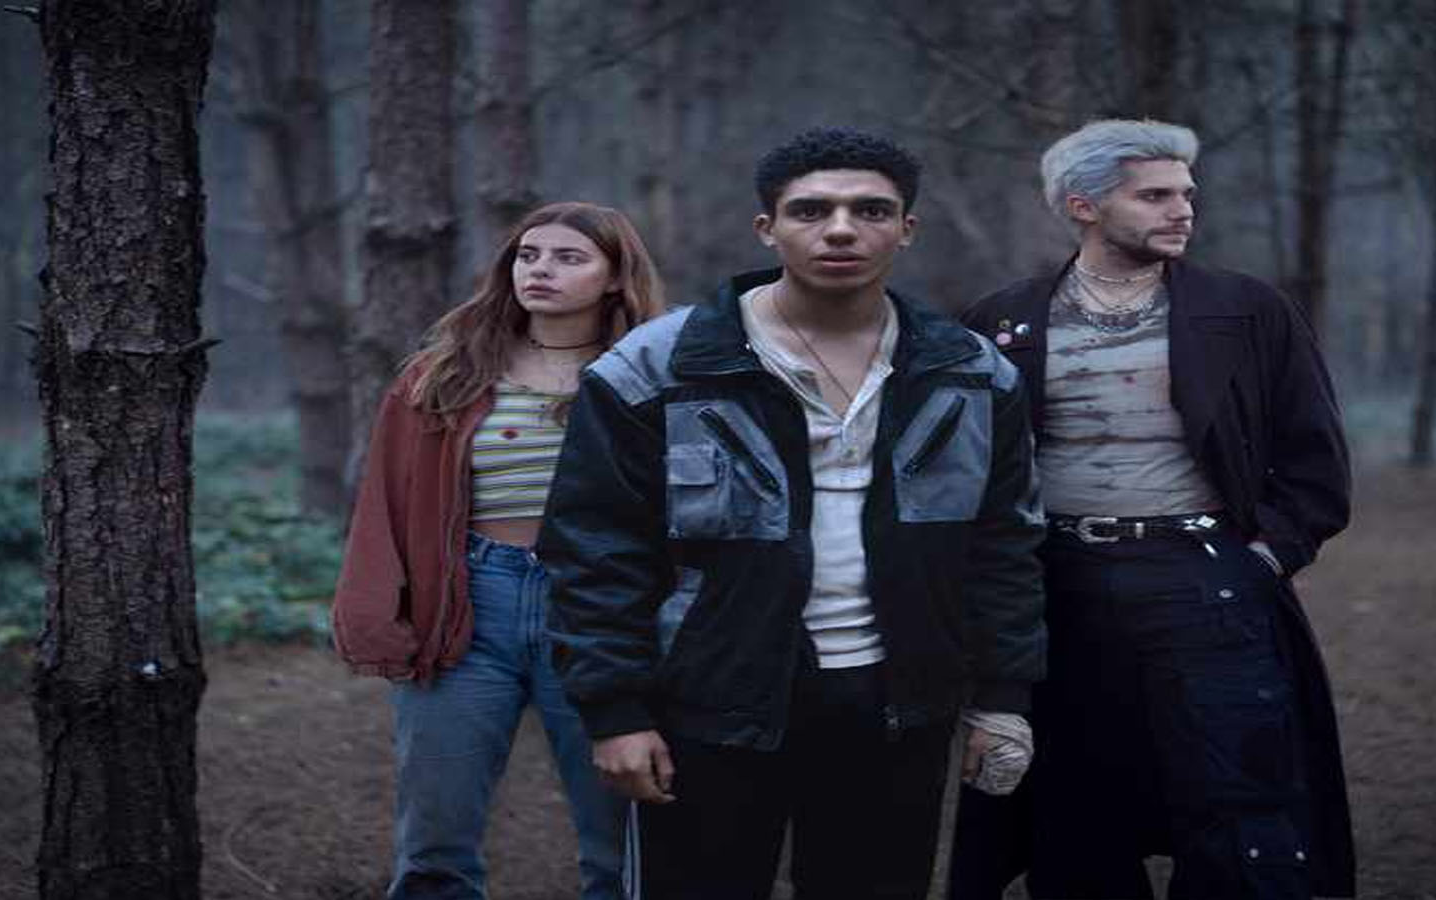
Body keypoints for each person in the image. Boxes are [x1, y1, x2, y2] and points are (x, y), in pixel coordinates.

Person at [537, 127, 1048, 900]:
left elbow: (1003, 545)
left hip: (898, 705)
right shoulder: (659, 365)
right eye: (810, 210)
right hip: (710, 702)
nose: (841, 229)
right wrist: (615, 711)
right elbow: (595, 547)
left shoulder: (971, 373)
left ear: (906, 229)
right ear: (766, 228)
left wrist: (1003, 698)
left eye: (870, 210)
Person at [948, 119, 1356, 899]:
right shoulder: (1004, 321)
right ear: (1083, 205)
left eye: (1186, 194)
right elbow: (970, 472)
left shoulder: (1245, 310)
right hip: (1057, 586)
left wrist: (1265, 556)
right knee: (1073, 814)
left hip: (1205, 581)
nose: (1182, 210)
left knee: (1237, 805)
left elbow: (1315, 460)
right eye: (1155, 196)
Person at [331, 202, 666, 900]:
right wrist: (377, 611)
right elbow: (386, 499)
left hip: (599, 612)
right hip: (469, 604)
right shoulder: (448, 372)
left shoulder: (650, 374)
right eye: (528, 255)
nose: (540, 270)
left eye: (569, 258)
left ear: (614, 277)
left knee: (621, 841)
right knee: (435, 840)